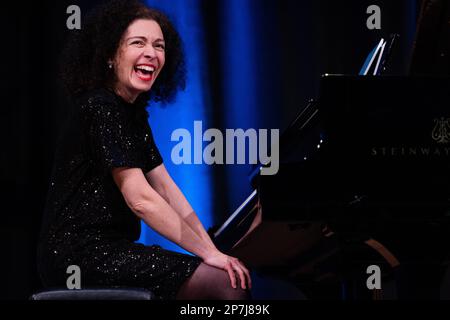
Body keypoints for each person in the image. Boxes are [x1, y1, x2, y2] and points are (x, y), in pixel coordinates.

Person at [37, 0, 251, 300]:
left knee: (222, 275)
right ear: (111, 55)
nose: (151, 53)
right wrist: (209, 255)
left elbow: (165, 188)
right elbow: (141, 200)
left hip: (110, 248)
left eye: (159, 45)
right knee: (226, 286)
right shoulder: (101, 107)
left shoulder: (132, 114)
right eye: (138, 42)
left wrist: (212, 252)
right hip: (79, 254)